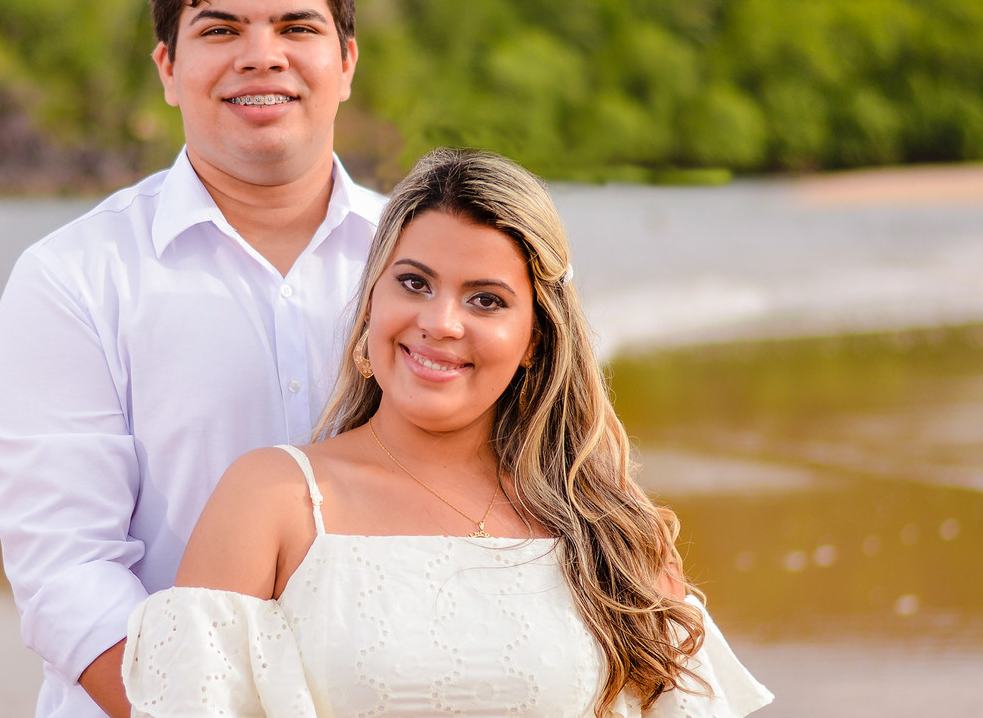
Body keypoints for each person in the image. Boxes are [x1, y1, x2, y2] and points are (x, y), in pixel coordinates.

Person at [122, 148, 773, 717]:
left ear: (534, 340)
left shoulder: (610, 529)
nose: (441, 322)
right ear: (374, 297)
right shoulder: (272, 497)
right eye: (415, 283)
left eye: (485, 299)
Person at [0, 0, 384, 718]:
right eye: (220, 29)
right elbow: (69, 577)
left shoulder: (426, 269)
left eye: (296, 27)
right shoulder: (73, 278)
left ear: (346, 61)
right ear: (168, 69)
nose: (262, 55)